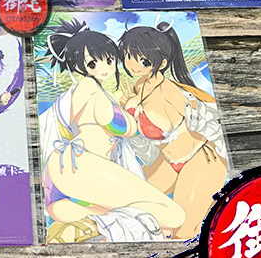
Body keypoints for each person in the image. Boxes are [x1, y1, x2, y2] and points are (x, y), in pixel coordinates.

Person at [40, 19, 185, 242]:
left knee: (68, 210)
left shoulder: (86, 91)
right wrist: (131, 117)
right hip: (82, 164)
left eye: (109, 60)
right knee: (174, 215)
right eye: (92, 64)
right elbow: (116, 124)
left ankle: (80, 226)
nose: (104, 68)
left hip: (67, 167)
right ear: (78, 67)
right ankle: (98, 227)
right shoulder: (89, 87)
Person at [119, 22, 228, 239]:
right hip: (167, 161)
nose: (133, 65)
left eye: (143, 60)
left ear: (162, 63)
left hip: (201, 160)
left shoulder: (171, 93)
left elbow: (207, 121)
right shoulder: (139, 86)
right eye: (128, 56)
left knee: (184, 233)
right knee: (126, 205)